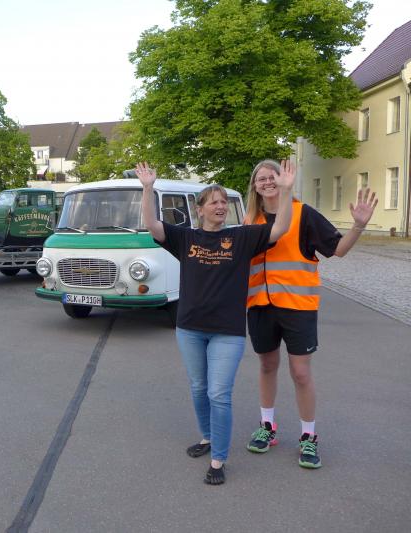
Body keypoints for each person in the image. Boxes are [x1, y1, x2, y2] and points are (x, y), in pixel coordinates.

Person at [136, 160, 295, 485]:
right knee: (199, 388)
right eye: (214, 202)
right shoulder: (186, 237)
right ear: (200, 210)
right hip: (190, 328)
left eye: (224, 201)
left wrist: (287, 191)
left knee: (219, 393)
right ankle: (207, 437)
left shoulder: (242, 238)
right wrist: (148, 189)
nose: (221, 206)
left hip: (227, 332)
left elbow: (280, 228)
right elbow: (152, 225)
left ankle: (218, 459)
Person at [244, 160, 377, 469]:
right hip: (260, 305)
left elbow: (338, 250)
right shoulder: (250, 219)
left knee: (301, 373)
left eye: (273, 176)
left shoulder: (303, 213)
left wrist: (358, 226)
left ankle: (308, 436)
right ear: (255, 186)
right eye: (261, 179)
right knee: (267, 365)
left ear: (284, 180)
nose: (268, 182)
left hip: (298, 307)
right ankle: (267, 427)